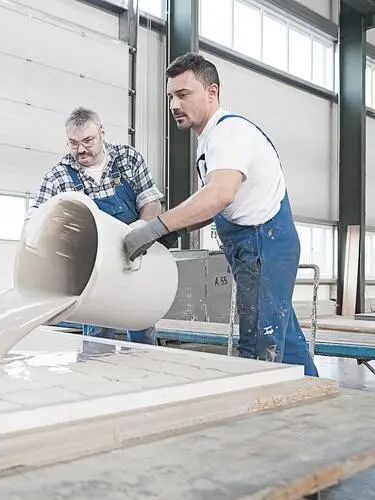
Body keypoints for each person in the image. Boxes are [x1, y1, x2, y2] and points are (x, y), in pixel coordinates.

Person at [122, 53, 318, 376]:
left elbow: (219, 194)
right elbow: (217, 205)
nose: (174, 105)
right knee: (286, 341)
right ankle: (315, 396)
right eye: (171, 96)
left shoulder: (229, 134)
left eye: (183, 94)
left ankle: (260, 407)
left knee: (259, 345)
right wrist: (174, 231)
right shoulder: (211, 139)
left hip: (264, 244)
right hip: (256, 246)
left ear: (212, 92)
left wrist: (157, 226)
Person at [28, 107, 163, 345]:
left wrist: (140, 228)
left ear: (102, 133)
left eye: (88, 141)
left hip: (135, 260)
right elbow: (35, 221)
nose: (81, 149)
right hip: (94, 271)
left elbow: (151, 203)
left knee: (141, 330)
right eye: (73, 143)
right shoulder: (59, 177)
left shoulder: (127, 159)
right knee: (97, 339)